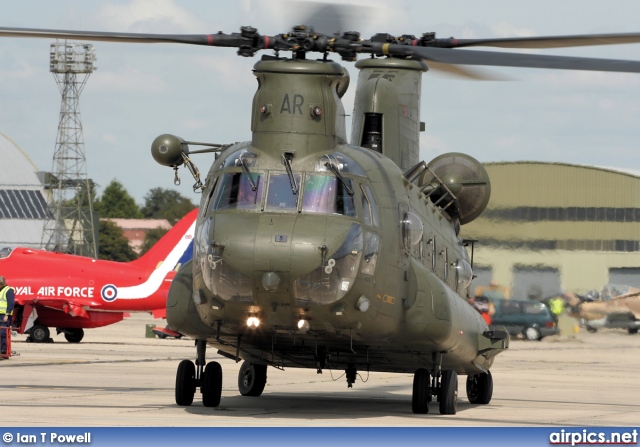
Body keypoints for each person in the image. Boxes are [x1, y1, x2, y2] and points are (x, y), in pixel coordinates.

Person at [0, 275, 15, 357]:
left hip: (4, 316)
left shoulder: (8, 291)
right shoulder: (0, 290)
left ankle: (3, 351)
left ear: (1, 284)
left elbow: (11, 304)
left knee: (3, 333)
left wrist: (7, 314)